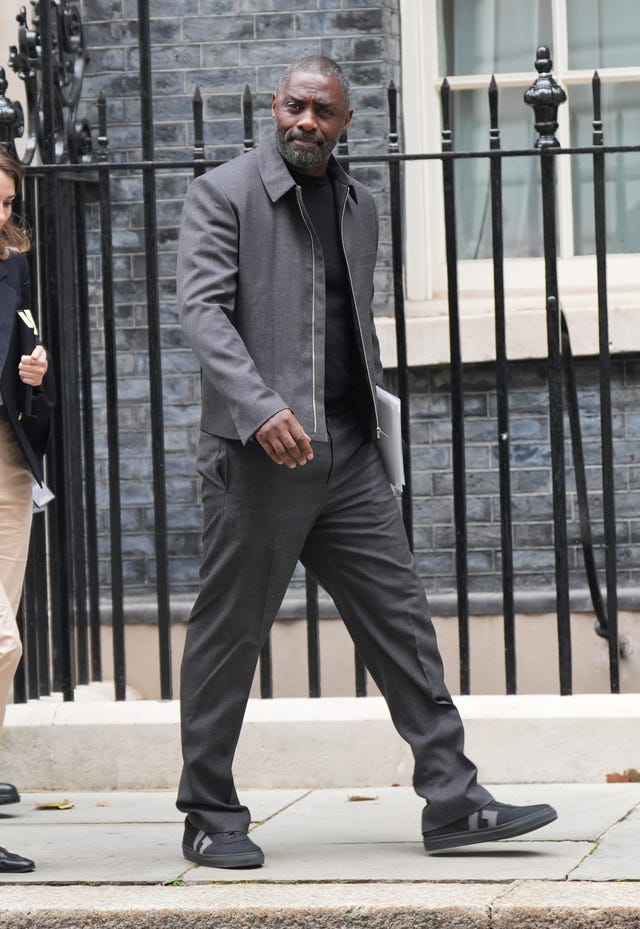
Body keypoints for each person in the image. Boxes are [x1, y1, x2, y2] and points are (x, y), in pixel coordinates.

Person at [176, 55, 557, 869]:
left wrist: (376, 419)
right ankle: (209, 811)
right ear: (274, 107)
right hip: (258, 457)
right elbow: (203, 315)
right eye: (292, 106)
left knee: (401, 621)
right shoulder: (225, 194)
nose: (304, 122)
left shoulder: (359, 205)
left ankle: (454, 800)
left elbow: (352, 323)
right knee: (229, 635)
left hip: (347, 454)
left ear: (347, 123)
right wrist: (261, 405)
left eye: (322, 111)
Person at [0, 146, 53, 873]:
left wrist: (36, 375)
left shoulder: (12, 269)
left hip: (9, 474)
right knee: (1, 644)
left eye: (7, 204)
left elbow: (36, 406)